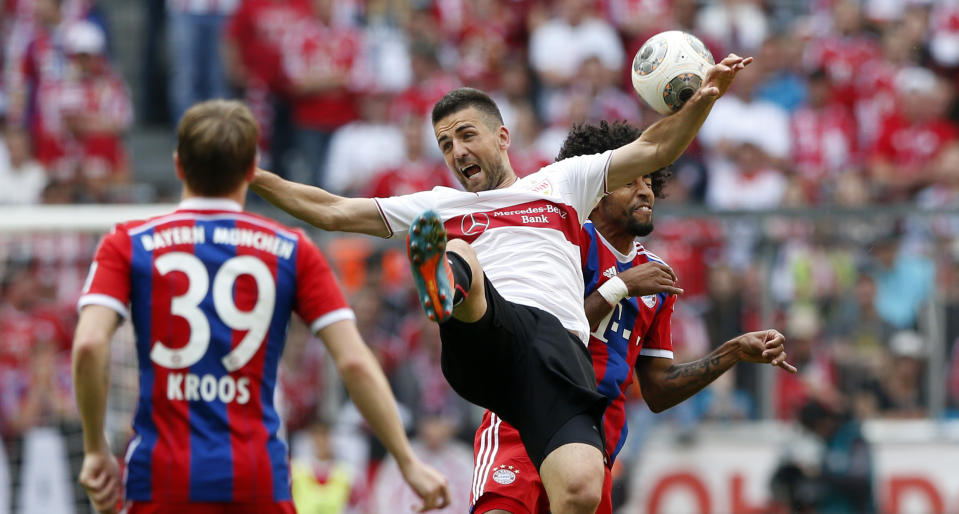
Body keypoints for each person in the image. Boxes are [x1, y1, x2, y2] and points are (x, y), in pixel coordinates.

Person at [252, 54, 764, 513]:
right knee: (459, 253)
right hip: (485, 336)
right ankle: (443, 280)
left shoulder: (563, 181)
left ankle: (449, 279)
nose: (456, 151)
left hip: (554, 354)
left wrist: (703, 100)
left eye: (466, 135)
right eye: (445, 144)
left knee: (582, 490)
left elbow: (656, 145)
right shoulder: (439, 204)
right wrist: (250, 175)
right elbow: (332, 209)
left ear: (502, 136)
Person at [71, 100, 449, 514]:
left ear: (179, 164)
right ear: (252, 170)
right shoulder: (292, 249)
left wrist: (94, 448)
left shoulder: (127, 242)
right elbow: (354, 362)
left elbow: (89, 345)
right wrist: (407, 461)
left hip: (161, 475)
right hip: (255, 476)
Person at [469, 121, 797, 514]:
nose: (644, 191)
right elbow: (541, 339)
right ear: (595, 190)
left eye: (648, 181)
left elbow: (657, 389)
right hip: (525, 422)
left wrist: (732, 353)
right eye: (628, 182)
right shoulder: (565, 243)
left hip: (594, 447)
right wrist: (618, 287)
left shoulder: (655, 276)